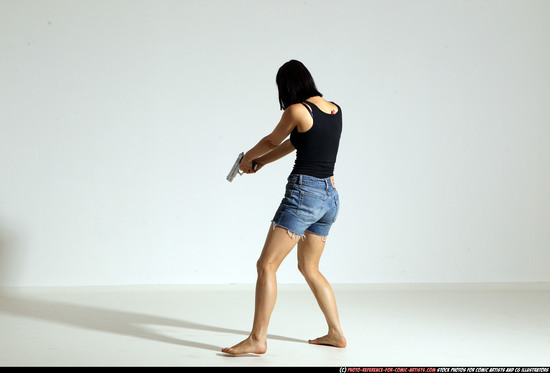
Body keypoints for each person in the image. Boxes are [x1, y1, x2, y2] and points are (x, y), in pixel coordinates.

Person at [222, 60, 346, 355]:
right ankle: (336, 334)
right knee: (310, 268)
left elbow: (271, 139)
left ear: (287, 86)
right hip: (330, 197)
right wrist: (260, 162)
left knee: (266, 265)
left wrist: (247, 157)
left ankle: (257, 339)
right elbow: (293, 144)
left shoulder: (297, 110)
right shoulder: (333, 109)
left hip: (304, 195)